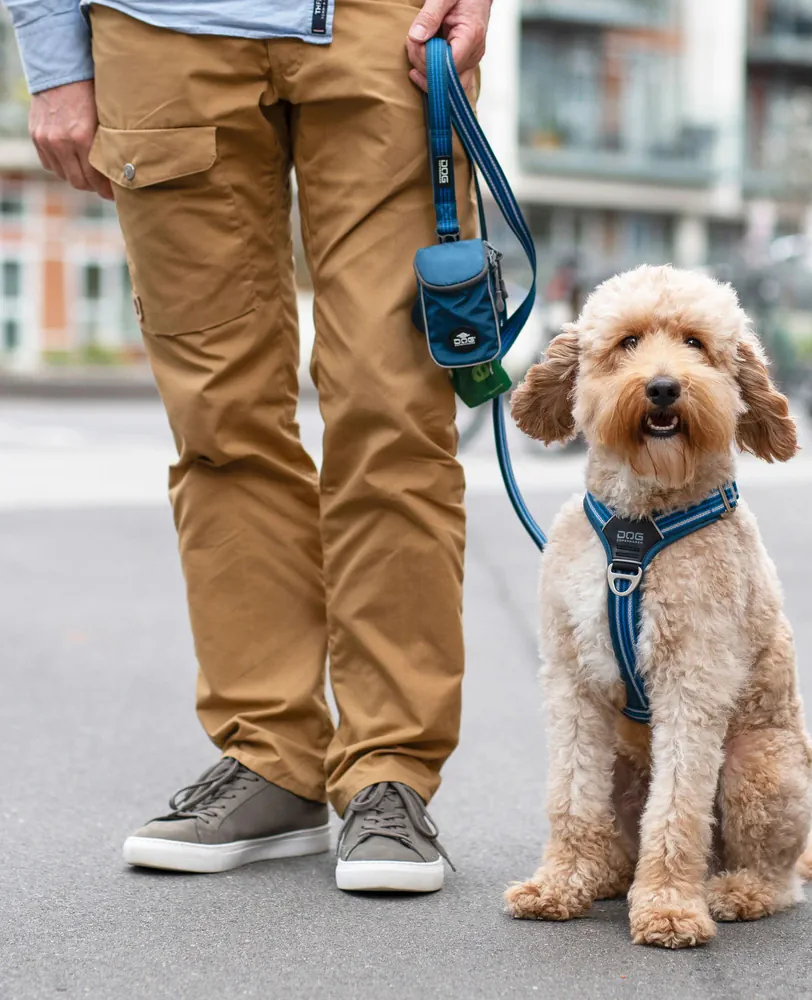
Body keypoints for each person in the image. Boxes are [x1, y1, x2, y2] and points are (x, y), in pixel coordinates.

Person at [8, 0, 492, 893]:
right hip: (161, 29)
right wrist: (53, 55)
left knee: (394, 408)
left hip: (385, 26)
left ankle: (390, 770)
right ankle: (271, 758)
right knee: (219, 421)